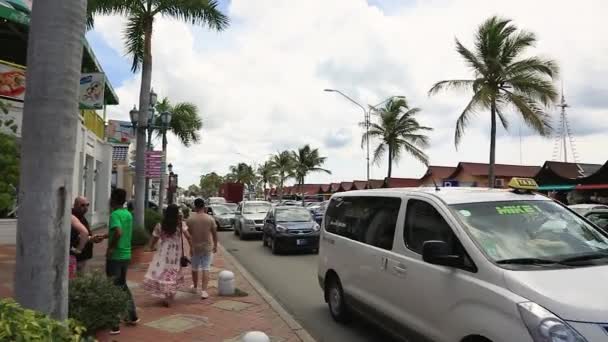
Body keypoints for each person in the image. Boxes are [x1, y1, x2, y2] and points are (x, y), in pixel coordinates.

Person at [142, 204, 191, 306]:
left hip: (163, 252)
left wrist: (150, 247)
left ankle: (165, 295)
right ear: (177, 213)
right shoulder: (180, 224)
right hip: (176, 253)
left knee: (163, 272)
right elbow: (188, 237)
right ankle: (170, 296)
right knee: (173, 273)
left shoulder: (160, 225)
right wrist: (192, 248)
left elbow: (154, 238)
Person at [106, 188, 139, 335]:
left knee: (113, 288)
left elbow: (118, 232)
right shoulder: (127, 214)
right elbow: (118, 231)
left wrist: (111, 247)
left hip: (116, 256)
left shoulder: (114, 214)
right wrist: (106, 236)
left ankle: (114, 324)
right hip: (126, 255)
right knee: (122, 285)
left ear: (113, 200)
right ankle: (132, 316)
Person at [186, 198, 218, 299]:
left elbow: (188, 235)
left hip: (195, 247)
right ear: (204, 206)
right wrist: (216, 245)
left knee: (194, 268)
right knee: (206, 268)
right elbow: (214, 234)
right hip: (207, 247)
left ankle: (195, 287)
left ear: (195, 207)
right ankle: (204, 291)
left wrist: (190, 246)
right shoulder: (210, 219)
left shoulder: (190, 220)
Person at [70, 196, 105, 274]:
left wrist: (92, 238)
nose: (85, 208)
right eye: (82, 205)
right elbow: (78, 235)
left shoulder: (82, 216)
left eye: (87, 205)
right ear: (75, 205)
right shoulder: (73, 217)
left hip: (83, 255)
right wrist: (79, 249)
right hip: (76, 256)